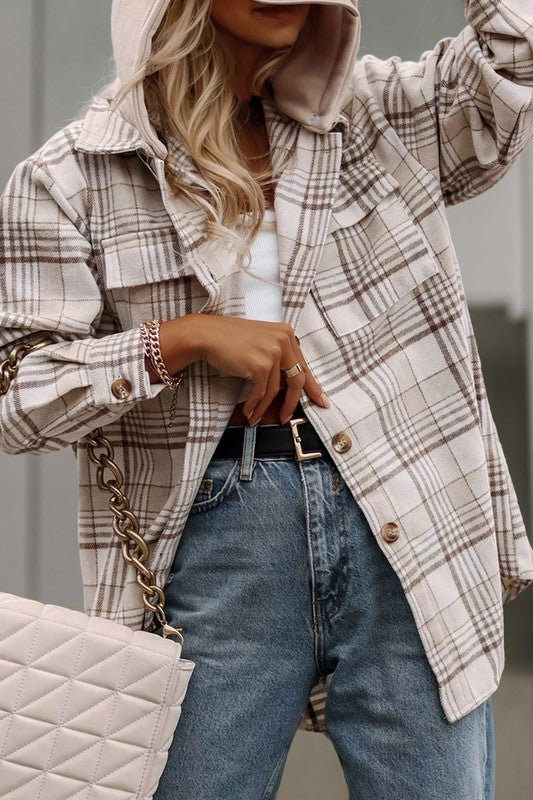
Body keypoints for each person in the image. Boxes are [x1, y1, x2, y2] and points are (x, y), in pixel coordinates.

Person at [1, 0, 532, 797]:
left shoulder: (380, 114)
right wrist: (180, 340)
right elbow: (16, 397)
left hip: (410, 524)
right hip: (221, 539)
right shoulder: (75, 174)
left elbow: (511, 52)